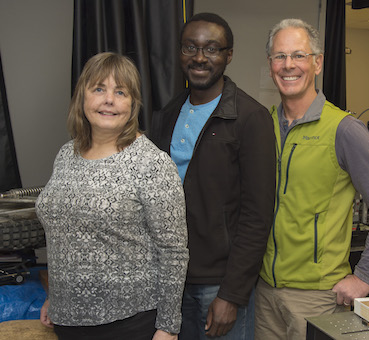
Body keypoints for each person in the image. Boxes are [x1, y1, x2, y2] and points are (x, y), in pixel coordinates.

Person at [255, 18, 369, 340]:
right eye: (279, 56)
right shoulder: (263, 125)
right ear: (269, 65)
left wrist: (364, 277)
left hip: (317, 297)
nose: (288, 65)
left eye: (299, 55)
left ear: (317, 63)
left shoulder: (345, 130)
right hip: (264, 292)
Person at [35, 52, 189, 340]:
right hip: (67, 321)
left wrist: (168, 327)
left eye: (120, 92)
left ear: (132, 104)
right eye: (98, 89)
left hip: (127, 323)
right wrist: (55, 296)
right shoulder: (66, 154)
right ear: (83, 98)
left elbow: (174, 252)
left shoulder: (152, 163)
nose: (109, 100)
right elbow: (65, 233)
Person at [150, 12, 276, 340]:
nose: (200, 58)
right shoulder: (167, 113)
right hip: (169, 281)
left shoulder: (251, 118)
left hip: (218, 286)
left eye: (212, 49)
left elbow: (257, 216)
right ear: (179, 53)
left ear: (228, 55)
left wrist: (231, 295)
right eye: (190, 47)